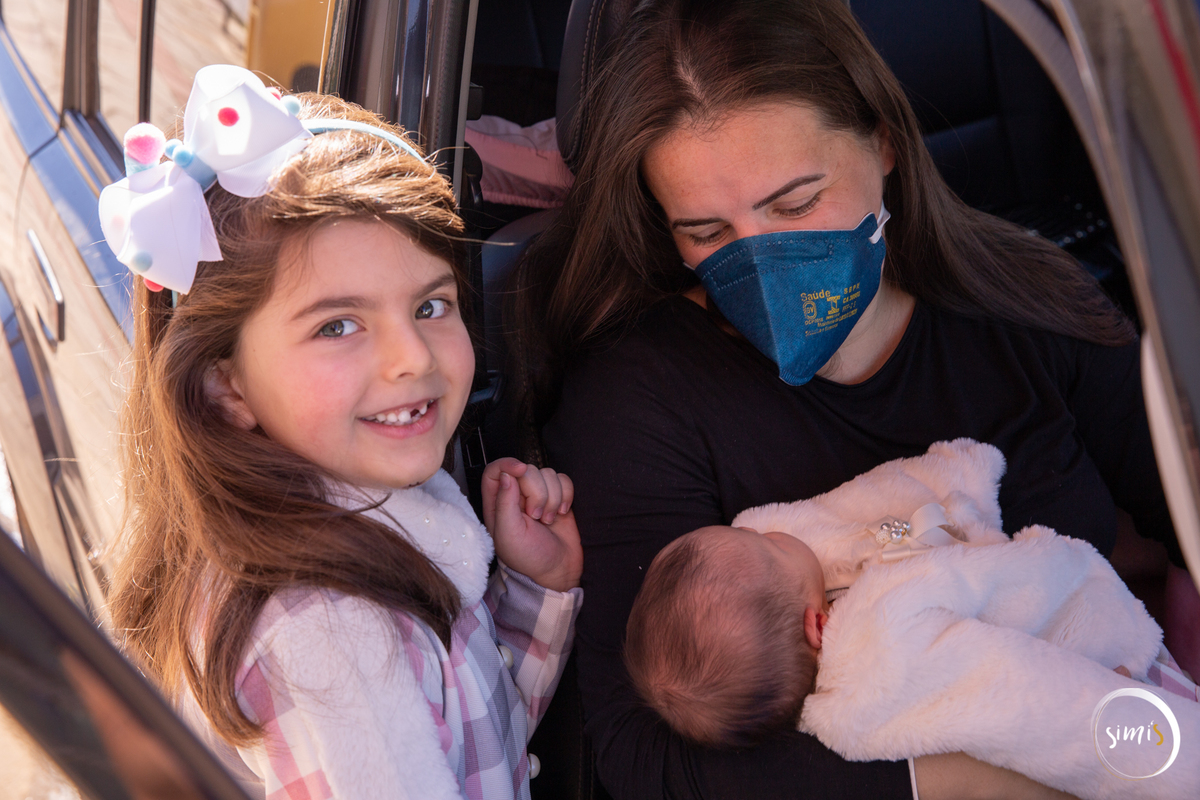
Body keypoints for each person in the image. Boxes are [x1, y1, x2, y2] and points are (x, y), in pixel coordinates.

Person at [507, 0, 1198, 797]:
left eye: (796, 205)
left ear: (885, 141)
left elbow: (1185, 518)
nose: (762, 262)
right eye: (705, 231)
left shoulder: (1027, 303)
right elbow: (649, 759)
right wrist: (994, 773)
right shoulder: (636, 402)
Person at [103, 65, 583, 800]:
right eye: (339, 325)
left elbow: (473, 743)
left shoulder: (366, 504)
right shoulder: (328, 640)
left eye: (431, 306)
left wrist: (533, 594)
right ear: (224, 384)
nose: (412, 357)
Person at [624, 440, 1200, 800]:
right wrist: (1146, 740)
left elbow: (863, 516)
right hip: (1107, 679)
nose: (763, 529)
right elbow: (1021, 696)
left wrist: (956, 474)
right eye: (769, 546)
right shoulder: (882, 660)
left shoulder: (811, 614)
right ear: (815, 625)